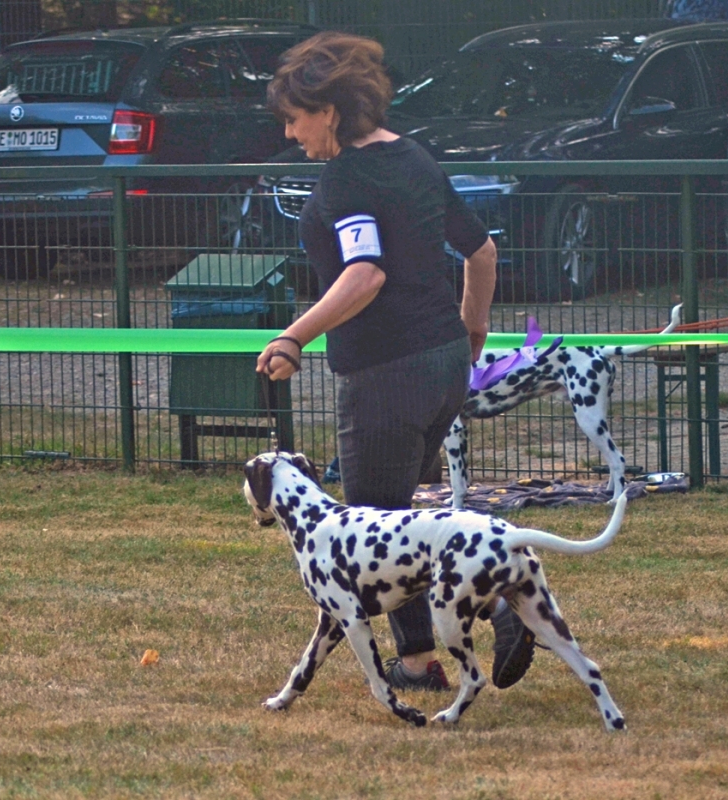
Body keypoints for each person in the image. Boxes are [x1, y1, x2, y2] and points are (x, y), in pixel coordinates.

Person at [256, 31, 536, 692]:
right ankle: (445, 638)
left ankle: (467, 628)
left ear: (329, 110)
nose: (291, 133)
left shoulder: (347, 177)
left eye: (294, 119)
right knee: (403, 521)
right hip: (441, 365)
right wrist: (471, 330)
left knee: (375, 531)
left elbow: (365, 277)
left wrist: (292, 337)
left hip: (386, 375)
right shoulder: (415, 157)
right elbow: (482, 251)